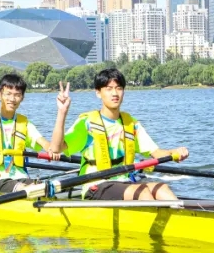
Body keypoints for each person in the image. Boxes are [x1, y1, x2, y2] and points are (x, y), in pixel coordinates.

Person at [60, 67, 189, 200]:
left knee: (162, 188)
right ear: (98, 93)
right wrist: (62, 112)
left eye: (119, 88)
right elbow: (57, 148)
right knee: (142, 193)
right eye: (109, 89)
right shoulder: (87, 123)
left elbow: (157, 153)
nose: (115, 93)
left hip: (124, 182)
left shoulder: (131, 124)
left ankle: (179, 212)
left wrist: (174, 153)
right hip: (96, 186)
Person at [0, 60, 69, 192]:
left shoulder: (24, 124)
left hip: (20, 178)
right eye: (8, 94)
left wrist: (52, 150)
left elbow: (45, 144)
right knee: (22, 187)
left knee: (43, 187)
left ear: (22, 98)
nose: (12, 99)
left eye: (17, 95)